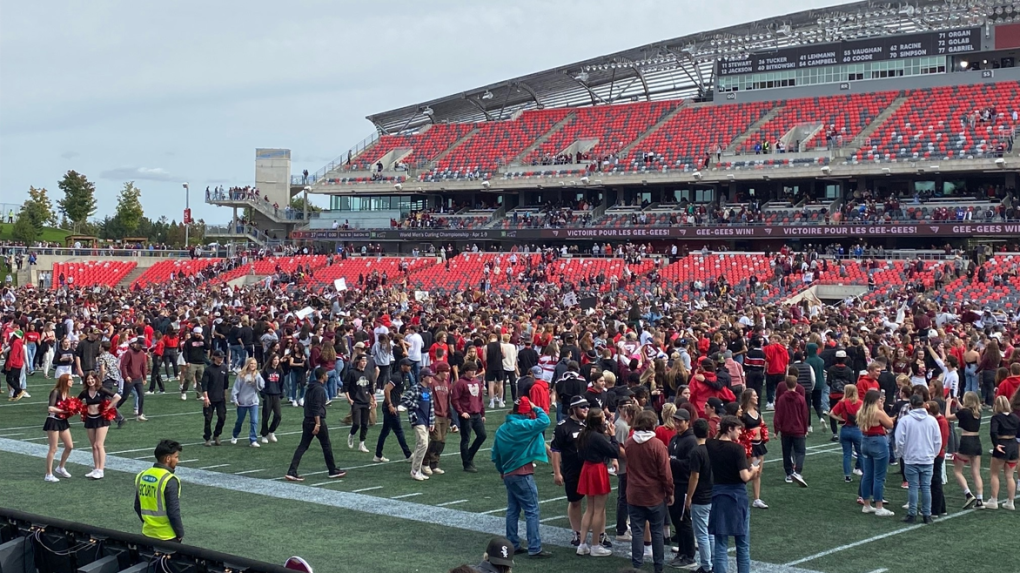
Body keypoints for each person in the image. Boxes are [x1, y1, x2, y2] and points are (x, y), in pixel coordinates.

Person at [490, 397, 552, 559]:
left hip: (508, 473)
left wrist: (502, 471)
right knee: (532, 510)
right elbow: (545, 421)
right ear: (526, 411)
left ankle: (513, 544)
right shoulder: (524, 425)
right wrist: (536, 407)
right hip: (522, 473)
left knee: (513, 510)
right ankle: (535, 547)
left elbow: (495, 454)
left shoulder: (502, 429)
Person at [707, 415, 761, 573]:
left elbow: (715, 438)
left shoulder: (711, 444)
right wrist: (754, 470)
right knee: (742, 544)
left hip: (718, 494)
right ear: (729, 428)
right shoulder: (737, 449)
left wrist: (720, 431)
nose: (739, 432)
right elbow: (744, 477)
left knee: (720, 544)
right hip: (737, 496)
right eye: (737, 429)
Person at [625, 409, 673, 573]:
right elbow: (665, 473)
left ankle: (636, 566)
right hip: (654, 494)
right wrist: (670, 492)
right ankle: (658, 567)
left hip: (634, 493)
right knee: (657, 531)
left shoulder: (629, 443)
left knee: (637, 531)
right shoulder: (657, 445)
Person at [285, 367, 347, 481]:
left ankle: (292, 470)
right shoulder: (319, 390)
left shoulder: (311, 388)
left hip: (307, 420)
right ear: (323, 376)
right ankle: (332, 470)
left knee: (303, 446)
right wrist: (318, 424)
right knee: (326, 445)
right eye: (326, 375)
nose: (327, 376)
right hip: (316, 421)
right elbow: (316, 408)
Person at [575, 406, 618, 557]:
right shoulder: (597, 436)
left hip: (587, 468)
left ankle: (582, 544)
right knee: (599, 510)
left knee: (589, 509)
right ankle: (595, 545)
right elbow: (614, 451)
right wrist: (613, 436)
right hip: (597, 469)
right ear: (598, 420)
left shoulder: (584, 434)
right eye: (602, 417)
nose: (605, 418)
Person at [894, 393, 942, 524]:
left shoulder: (905, 420)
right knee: (926, 487)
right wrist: (933, 454)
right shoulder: (932, 420)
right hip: (927, 458)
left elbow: (899, 440)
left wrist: (902, 454)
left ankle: (912, 514)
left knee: (913, 487)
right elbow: (938, 441)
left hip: (911, 458)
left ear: (911, 405)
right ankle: (927, 514)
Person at [550, 396, 589, 549]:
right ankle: (577, 532)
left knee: (595, 502)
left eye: (587, 406)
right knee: (575, 501)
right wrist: (557, 472)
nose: (586, 409)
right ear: (574, 409)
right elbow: (555, 450)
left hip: (589, 467)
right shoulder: (563, 426)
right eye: (582, 407)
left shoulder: (589, 423)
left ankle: (599, 532)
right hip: (572, 469)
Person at [134, 439, 184, 542]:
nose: (177, 461)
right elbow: (173, 512)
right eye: (176, 457)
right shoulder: (170, 480)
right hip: (167, 536)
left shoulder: (142, 475)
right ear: (168, 459)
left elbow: (137, 506)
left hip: (147, 533)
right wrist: (180, 533)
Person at [667, 407, 696, 569]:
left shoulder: (690, 441)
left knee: (684, 521)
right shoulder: (675, 439)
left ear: (687, 422)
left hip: (683, 485)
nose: (677, 424)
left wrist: (670, 461)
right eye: (675, 420)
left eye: (679, 421)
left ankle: (689, 555)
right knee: (677, 521)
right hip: (674, 484)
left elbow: (689, 466)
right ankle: (682, 552)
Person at [859, 389, 896, 516]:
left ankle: (867, 505)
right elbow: (890, 424)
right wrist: (882, 408)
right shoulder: (878, 412)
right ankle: (879, 506)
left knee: (867, 475)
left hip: (865, 441)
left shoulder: (862, 411)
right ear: (875, 400)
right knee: (879, 477)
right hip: (878, 443)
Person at [946, 391, 984, 508]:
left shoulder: (964, 412)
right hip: (977, 441)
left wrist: (948, 404)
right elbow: (965, 413)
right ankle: (980, 499)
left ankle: (968, 494)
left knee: (957, 470)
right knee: (976, 473)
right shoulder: (977, 412)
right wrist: (958, 404)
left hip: (966, 442)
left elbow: (948, 417)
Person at [685, 418, 714, 573]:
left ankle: (706, 566)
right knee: (710, 533)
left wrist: (689, 497)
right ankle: (714, 562)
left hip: (701, 496)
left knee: (702, 534)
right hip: (712, 494)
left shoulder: (697, 451)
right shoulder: (712, 448)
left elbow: (694, 476)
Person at [79, 371, 119, 479]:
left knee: (98, 444)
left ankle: (101, 470)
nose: (90, 381)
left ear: (96, 379)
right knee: (93, 446)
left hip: (101, 419)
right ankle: (96, 469)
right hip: (90, 419)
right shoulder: (85, 392)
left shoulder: (101, 390)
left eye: (92, 379)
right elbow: (77, 402)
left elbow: (117, 396)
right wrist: (80, 410)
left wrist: (109, 407)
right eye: (88, 379)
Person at [375, 357, 414, 463]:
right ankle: (408, 455)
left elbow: (397, 392)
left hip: (393, 406)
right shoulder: (397, 376)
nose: (410, 367)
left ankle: (378, 455)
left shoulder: (403, 376)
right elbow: (387, 390)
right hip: (390, 408)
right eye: (408, 365)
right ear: (402, 366)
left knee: (385, 431)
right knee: (399, 431)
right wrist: (390, 405)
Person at [774, 377, 809, 487]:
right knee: (800, 452)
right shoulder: (801, 399)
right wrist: (805, 429)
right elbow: (805, 415)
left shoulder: (781, 399)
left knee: (786, 452)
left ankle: (789, 473)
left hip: (786, 430)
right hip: (798, 430)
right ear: (796, 384)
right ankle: (797, 472)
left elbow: (778, 415)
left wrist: (776, 429)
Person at [452, 361, 487, 472]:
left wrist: (482, 413)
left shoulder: (477, 382)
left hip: (476, 414)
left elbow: (480, 399)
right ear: (466, 371)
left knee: (482, 435)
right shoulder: (460, 383)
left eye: (474, 370)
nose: (473, 372)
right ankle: (466, 463)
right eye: (471, 370)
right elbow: (455, 399)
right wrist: (461, 412)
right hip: (466, 415)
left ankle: (469, 456)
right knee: (465, 438)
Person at [987, 394, 1019, 510]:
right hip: (1013, 445)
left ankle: (994, 500)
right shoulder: (1015, 417)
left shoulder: (996, 417)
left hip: (1002, 444)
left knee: (994, 474)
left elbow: (993, 432)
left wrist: (996, 444)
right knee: (1010, 476)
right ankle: (1010, 502)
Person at [405, 366, 435, 481]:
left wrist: (431, 421)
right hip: (418, 420)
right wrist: (415, 406)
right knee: (423, 443)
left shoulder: (428, 390)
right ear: (423, 377)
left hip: (426, 420)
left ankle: (416, 470)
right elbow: (405, 400)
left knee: (421, 445)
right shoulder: (415, 389)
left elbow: (431, 406)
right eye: (429, 376)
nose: (431, 378)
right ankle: (415, 470)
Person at [43, 373, 75, 482]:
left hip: (62, 421)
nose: (72, 382)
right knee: (53, 448)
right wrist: (64, 411)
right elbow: (50, 408)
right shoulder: (55, 392)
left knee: (69, 446)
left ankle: (60, 467)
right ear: (64, 381)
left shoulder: (67, 393)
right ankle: (48, 474)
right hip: (53, 421)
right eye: (70, 380)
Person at [828, 384, 863, 482]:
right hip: (857, 430)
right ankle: (864, 473)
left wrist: (840, 419)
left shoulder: (842, 403)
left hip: (845, 429)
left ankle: (847, 476)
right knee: (861, 453)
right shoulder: (860, 403)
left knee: (847, 454)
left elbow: (831, 413)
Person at [425, 362, 453, 475]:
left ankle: (435, 463)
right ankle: (425, 461)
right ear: (440, 371)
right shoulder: (432, 382)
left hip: (445, 414)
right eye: (445, 371)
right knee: (436, 439)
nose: (447, 373)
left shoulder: (447, 382)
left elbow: (448, 399)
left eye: (448, 371)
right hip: (435, 413)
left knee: (442, 441)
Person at [344, 353, 375, 453]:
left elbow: (371, 388)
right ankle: (351, 435)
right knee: (356, 423)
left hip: (366, 401)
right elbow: (345, 387)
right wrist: (349, 399)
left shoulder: (368, 373)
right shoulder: (352, 373)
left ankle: (362, 443)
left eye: (365, 361)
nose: (364, 363)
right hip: (356, 401)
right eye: (362, 361)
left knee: (365, 424)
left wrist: (373, 399)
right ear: (358, 361)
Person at [231, 358, 264, 447]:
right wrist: (235, 399)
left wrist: (256, 378)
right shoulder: (241, 375)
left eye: (254, 363)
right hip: (242, 401)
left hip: (253, 401)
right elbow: (236, 388)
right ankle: (235, 434)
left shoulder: (257, 374)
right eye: (251, 363)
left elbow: (261, 386)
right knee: (240, 421)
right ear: (248, 364)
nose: (253, 365)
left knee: (254, 421)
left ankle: (253, 440)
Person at [199, 350, 230, 447]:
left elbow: (226, 384)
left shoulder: (224, 368)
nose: (221, 359)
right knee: (208, 419)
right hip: (210, 398)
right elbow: (204, 385)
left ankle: (217, 434)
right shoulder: (208, 370)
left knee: (222, 417)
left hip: (220, 398)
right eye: (219, 357)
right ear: (215, 357)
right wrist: (206, 398)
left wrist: (225, 396)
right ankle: (207, 437)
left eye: (222, 357)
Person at [119, 337, 149, 422]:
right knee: (124, 397)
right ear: (134, 344)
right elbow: (123, 365)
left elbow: (143, 366)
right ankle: (114, 409)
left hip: (138, 378)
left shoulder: (142, 353)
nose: (140, 347)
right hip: (130, 378)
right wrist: (126, 376)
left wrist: (144, 377)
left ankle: (140, 414)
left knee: (141, 395)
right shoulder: (129, 352)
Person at [260, 353, 285, 444]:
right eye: (275, 359)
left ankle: (271, 431)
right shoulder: (266, 370)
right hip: (268, 395)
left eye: (278, 359)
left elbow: (282, 383)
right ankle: (264, 434)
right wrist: (263, 394)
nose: (276, 361)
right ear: (271, 360)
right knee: (266, 416)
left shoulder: (280, 371)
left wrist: (281, 393)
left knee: (278, 415)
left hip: (276, 395)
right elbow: (261, 383)